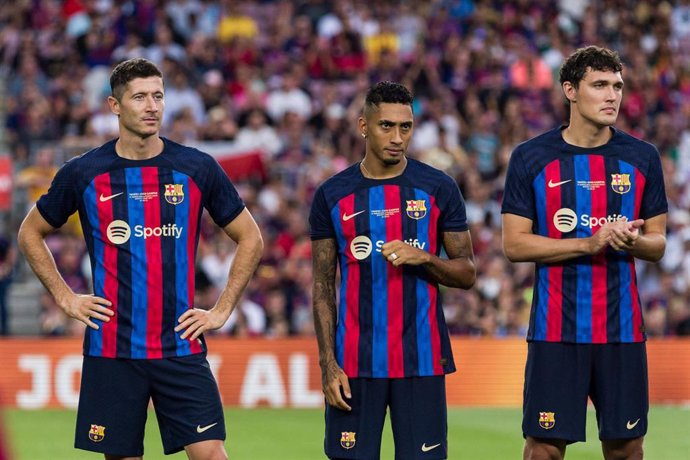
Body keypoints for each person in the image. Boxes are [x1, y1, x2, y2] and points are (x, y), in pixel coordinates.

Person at [17, 58, 264, 460]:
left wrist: (221, 310)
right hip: (113, 349)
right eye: (139, 97)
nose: (152, 106)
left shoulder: (196, 167)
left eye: (158, 96)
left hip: (180, 346)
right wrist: (66, 297)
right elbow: (30, 232)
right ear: (115, 106)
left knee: (212, 454)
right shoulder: (84, 172)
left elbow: (250, 238)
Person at [501, 46, 667, 460]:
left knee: (627, 448)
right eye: (600, 85)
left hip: (622, 330)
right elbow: (514, 244)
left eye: (617, 86)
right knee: (543, 450)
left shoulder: (643, 157)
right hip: (556, 331)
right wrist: (588, 243)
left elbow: (658, 243)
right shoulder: (530, 157)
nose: (612, 95)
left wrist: (634, 242)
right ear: (570, 90)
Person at [309, 81, 476, 459]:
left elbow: (467, 273)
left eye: (406, 126)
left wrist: (427, 259)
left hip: (421, 362)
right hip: (354, 365)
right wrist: (328, 365)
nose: (398, 136)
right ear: (363, 126)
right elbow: (321, 286)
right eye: (386, 125)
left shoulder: (439, 188)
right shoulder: (332, 194)